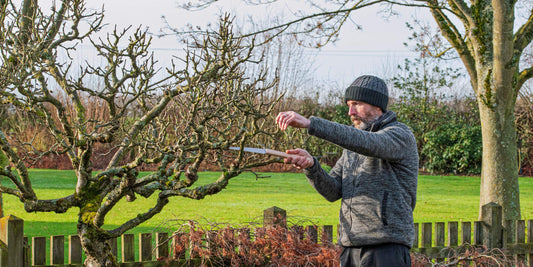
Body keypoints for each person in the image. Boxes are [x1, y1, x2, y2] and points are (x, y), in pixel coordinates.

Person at [276, 75, 418, 267]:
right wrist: (311, 166)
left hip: (386, 250)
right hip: (350, 249)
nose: (350, 112)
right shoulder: (352, 147)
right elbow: (333, 191)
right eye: (348, 105)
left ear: (377, 106)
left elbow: (369, 143)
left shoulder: (399, 135)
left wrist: (311, 124)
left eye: (356, 104)